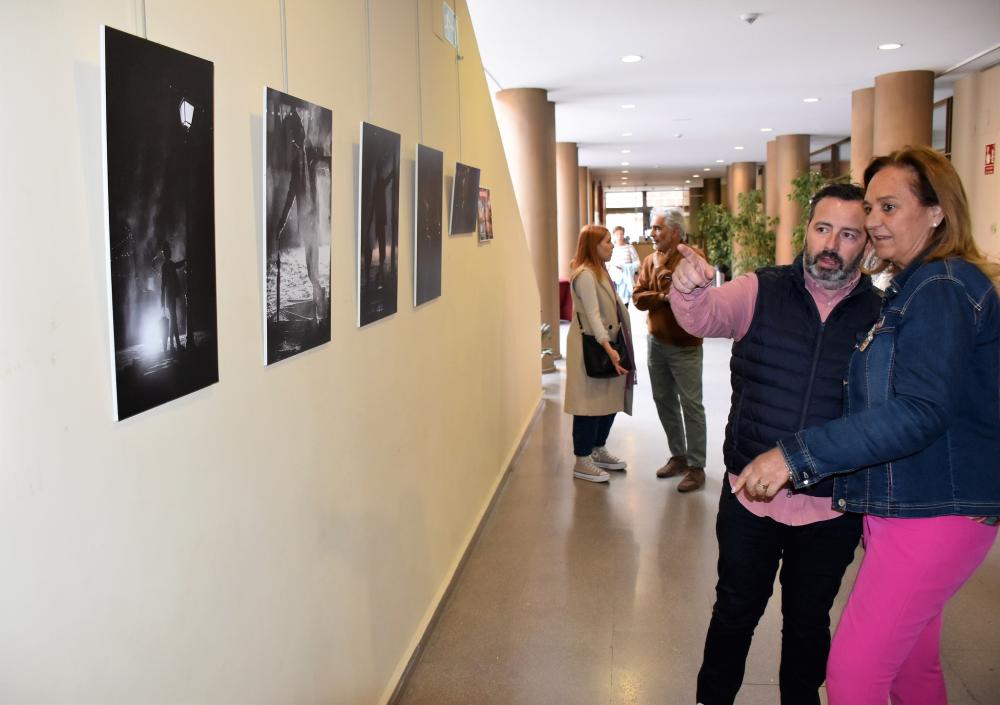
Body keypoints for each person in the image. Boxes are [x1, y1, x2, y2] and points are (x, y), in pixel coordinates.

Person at [734, 147, 1000, 705]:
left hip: (931, 514)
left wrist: (793, 455)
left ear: (936, 211)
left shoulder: (941, 286)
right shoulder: (917, 288)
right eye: (872, 207)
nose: (874, 220)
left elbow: (920, 410)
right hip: (912, 506)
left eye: (889, 207)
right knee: (912, 670)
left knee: (854, 677)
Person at [670, 183, 882, 705]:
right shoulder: (759, 290)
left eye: (848, 234)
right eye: (823, 228)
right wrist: (690, 289)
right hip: (751, 497)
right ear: (805, 231)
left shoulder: (881, 315)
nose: (831, 244)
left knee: (808, 624)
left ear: (867, 245)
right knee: (734, 612)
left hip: (831, 507)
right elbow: (705, 316)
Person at [633, 209, 708, 492]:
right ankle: (678, 456)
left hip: (685, 345)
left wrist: (664, 286)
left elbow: (689, 294)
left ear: (675, 232)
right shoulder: (649, 260)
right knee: (664, 400)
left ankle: (696, 467)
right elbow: (638, 298)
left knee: (691, 405)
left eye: (658, 228)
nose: (652, 234)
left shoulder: (692, 257)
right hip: (656, 343)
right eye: (652, 228)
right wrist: (662, 296)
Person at [564, 224, 636, 483]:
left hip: (608, 342)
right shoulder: (585, 274)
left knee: (609, 400)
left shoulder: (601, 270)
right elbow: (593, 316)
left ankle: (598, 448)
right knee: (588, 404)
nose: (612, 245)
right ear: (593, 245)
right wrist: (609, 348)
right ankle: (582, 459)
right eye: (606, 241)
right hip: (592, 346)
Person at [607, 225, 640, 307]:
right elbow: (608, 264)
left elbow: (638, 263)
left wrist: (625, 267)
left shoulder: (629, 247)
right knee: (613, 302)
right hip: (613, 279)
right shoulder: (611, 248)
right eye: (617, 234)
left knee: (625, 304)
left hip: (626, 280)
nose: (619, 236)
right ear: (614, 236)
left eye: (621, 234)